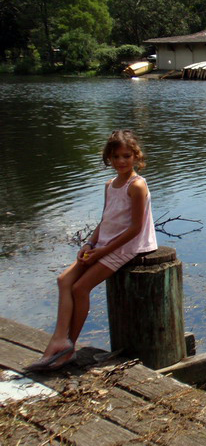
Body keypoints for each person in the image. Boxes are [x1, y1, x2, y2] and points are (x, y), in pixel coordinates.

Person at [25, 130, 158, 372]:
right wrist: (89, 244)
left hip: (127, 246)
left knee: (80, 287)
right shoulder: (110, 185)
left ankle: (68, 347)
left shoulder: (136, 185)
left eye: (126, 156)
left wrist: (103, 251)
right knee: (64, 280)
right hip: (103, 244)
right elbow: (105, 220)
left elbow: (136, 228)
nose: (121, 161)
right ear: (108, 158)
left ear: (136, 157)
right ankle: (59, 340)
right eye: (116, 156)